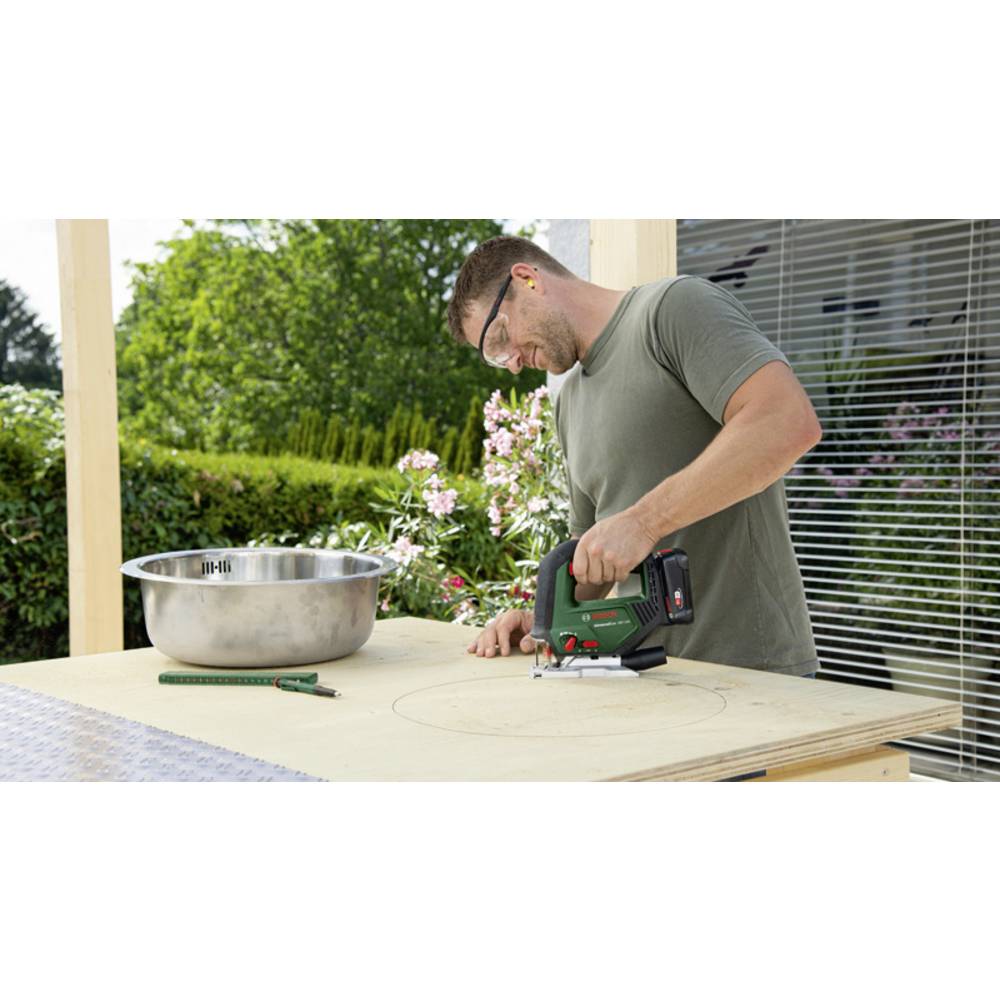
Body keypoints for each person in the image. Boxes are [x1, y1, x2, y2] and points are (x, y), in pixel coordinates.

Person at [446, 235, 822, 676]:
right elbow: (595, 557)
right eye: (495, 358)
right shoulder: (569, 402)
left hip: (753, 671)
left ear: (528, 279)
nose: (510, 363)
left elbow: (786, 421)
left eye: (500, 337)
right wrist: (542, 620)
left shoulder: (672, 310)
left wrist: (644, 523)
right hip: (648, 675)